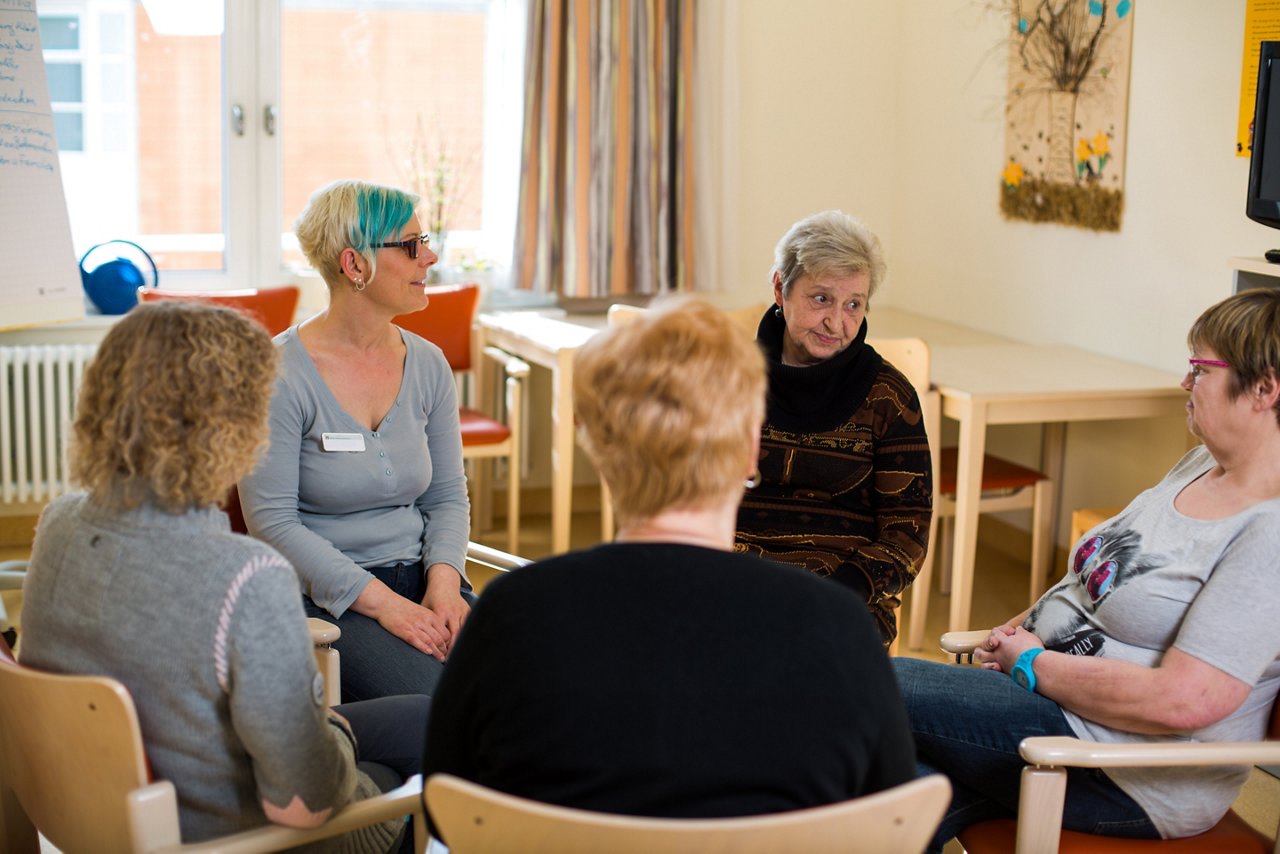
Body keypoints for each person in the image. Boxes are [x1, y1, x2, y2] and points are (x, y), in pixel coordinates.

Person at [421, 297, 916, 836]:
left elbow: (448, 814)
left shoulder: (511, 613)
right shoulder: (840, 626)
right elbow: (884, 825)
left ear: (596, 444)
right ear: (753, 445)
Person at [19, 302, 428, 851]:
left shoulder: (60, 524)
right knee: (433, 761)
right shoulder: (245, 577)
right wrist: (330, 734)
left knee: (429, 715)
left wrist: (323, 730)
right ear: (231, 427)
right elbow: (305, 804)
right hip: (242, 836)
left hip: (102, 807)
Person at [894, 287, 1280, 851]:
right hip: (1048, 712)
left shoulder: (1268, 533)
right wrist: (1011, 634)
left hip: (1117, 768)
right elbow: (1091, 579)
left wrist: (1031, 664)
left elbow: (1186, 701)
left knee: (866, 678)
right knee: (898, 794)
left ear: (1264, 389)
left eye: (1199, 368)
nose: (1185, 382)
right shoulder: (1203, 463)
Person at [239, 179, 472, 702]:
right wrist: (386, 605)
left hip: (423, 579)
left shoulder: (429, 363)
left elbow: (447, 497)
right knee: (450, 708)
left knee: (529, 686)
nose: (429, 257)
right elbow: (272, 524)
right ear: (354, 265)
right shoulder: (278, 374)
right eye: (412, 246)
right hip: (329, 598)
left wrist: (444, 583)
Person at [735, 210, 932, 646]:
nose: (837, 323)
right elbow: (688, 498)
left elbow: (908, 534)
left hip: (844, 597)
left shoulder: (890, 398)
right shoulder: (730, 381)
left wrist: (840, 591)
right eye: (821, 298)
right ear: (780, 289)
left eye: (853, 305)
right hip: (736, 582)